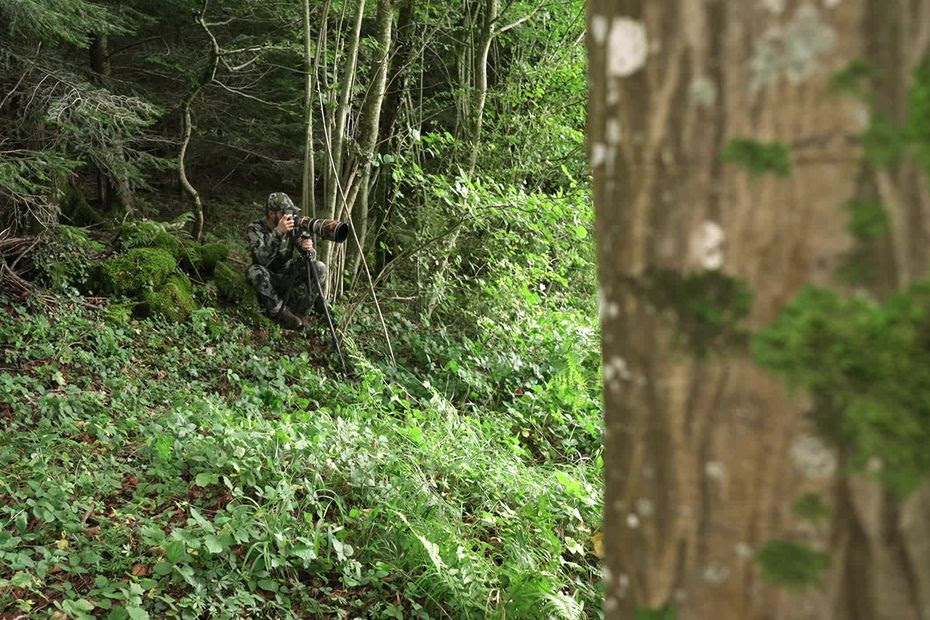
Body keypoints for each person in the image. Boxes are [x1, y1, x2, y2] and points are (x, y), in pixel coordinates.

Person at [245, 192, 328, 330]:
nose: (289, 217)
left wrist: (308, 249)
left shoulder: (292, 227)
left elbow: (309, 256)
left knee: (319, 267)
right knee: (254, 271)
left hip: (287, 274)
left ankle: (301, 313)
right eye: (284, 213)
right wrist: (278, 232)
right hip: (268, 277)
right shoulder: (255, 228)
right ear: (272, 214)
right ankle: (281, 313)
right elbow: (261, 259)